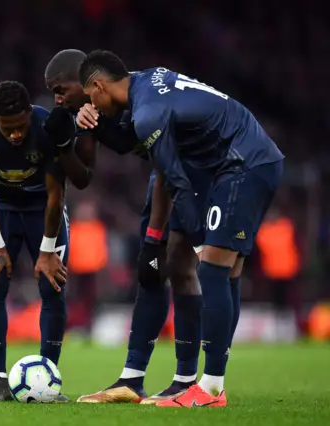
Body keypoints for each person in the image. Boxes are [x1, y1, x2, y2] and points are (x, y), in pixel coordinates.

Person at [79, 50, 284, 407]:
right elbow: (136, 143)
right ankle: (208, 384)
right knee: (226, 272)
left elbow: (173, 178)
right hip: (246, 159)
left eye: (88, 97)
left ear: (97, 86)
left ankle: (210, 389)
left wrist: (199, 240)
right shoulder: (147, 82)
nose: (90, 104)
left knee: (214, 269)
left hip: (242, 165)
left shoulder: (148, 113)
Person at [44, 49, 207, 404]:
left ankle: (192, 380)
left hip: (188, 171)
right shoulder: (85, 112)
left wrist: (154, 234)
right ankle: (132, 379)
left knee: (184, 266)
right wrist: (63, 145)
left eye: (60, 89)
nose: (56, 98)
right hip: (161, 177)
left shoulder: (136, 94)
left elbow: (162, 146)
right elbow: (84, 175)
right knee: (151, 271)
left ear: (88, 82)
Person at [0, 81, 69, 402]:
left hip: (43, 211)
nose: (15, 135)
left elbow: (56, 195)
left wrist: (48, 251)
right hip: (1, 212)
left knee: (53, 288)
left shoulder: (46, 125)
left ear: (29, 113)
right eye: (7, 128)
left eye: (21, 125)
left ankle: (48, 374)